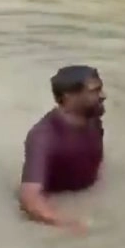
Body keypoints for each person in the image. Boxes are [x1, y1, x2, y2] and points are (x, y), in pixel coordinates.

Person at [19, 65, 106, 232]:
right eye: (95, 91)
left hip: (87, 193)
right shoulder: (43, 137)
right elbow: (30, 198)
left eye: (101, 88)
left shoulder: (93, 117)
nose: (103, 96)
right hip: (58, 203)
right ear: (69, 97)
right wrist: (68, 225)